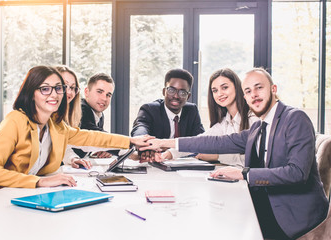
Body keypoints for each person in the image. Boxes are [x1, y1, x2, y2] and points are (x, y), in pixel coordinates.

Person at [141, 68, 329, 239]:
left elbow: (297, 173)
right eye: (248, 91)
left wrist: (243, 173)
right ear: (244, 96)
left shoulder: (294, 118)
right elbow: (215, 141)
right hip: (267, 203)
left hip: (292, 215)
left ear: (273, 89)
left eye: (259, 88)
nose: (253, 95)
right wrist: (166, 143)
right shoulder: (258, 127)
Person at [0, 66, 152, 200]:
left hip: (19, 197)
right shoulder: (15, 120)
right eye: (45, 89)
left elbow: (91, 136)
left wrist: (131, 141)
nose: (55, 94)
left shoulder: (55, 126)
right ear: (32, 93)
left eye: (58, 88)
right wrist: (39, 181)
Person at [158, 68, 258, 166]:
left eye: (225, 87)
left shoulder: (253, 118)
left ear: (237, 87)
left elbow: (255, 160)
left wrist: (217, 156)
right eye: (215, 90)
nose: (219, 94)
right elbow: (200, 141)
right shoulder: (224, 122)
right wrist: (169, 153)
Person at [131, 68, 204, 161]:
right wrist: (145, 142)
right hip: (155, 163)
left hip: (183, 163)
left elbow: (201, 140)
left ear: (188, 96)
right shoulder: (150, 109)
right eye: (171, 90)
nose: (176, 96)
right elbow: (140, 128)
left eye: (182, 92)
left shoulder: (191, 110)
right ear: (164, 91)